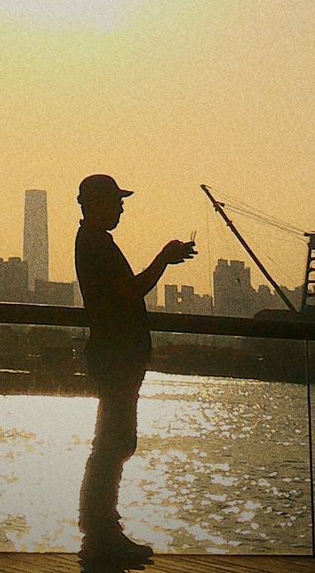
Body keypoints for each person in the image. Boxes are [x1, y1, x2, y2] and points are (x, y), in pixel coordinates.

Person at [75, 173, 196, 567]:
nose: (122, 206)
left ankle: (102, 531)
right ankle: (102, 532)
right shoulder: (96, 245)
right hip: (116, 357)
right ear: (95, 204)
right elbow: (129, 291)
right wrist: (163, 258)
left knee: (113, 443)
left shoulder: (94, 242)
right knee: (114, 444)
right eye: (116, 200)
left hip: (115, 355)